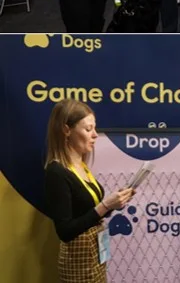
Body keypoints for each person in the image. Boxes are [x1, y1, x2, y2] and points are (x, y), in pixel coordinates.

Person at [44, 99, 135, 283]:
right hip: (78, 262)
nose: (95, 135)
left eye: (95, 128)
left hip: (95, 255)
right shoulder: (56, 172)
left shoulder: (81, 166)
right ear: (66, 130)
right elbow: (65, 231)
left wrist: (114, 203)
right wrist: (105, 205)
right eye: (88, 129)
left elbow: (88, 213)